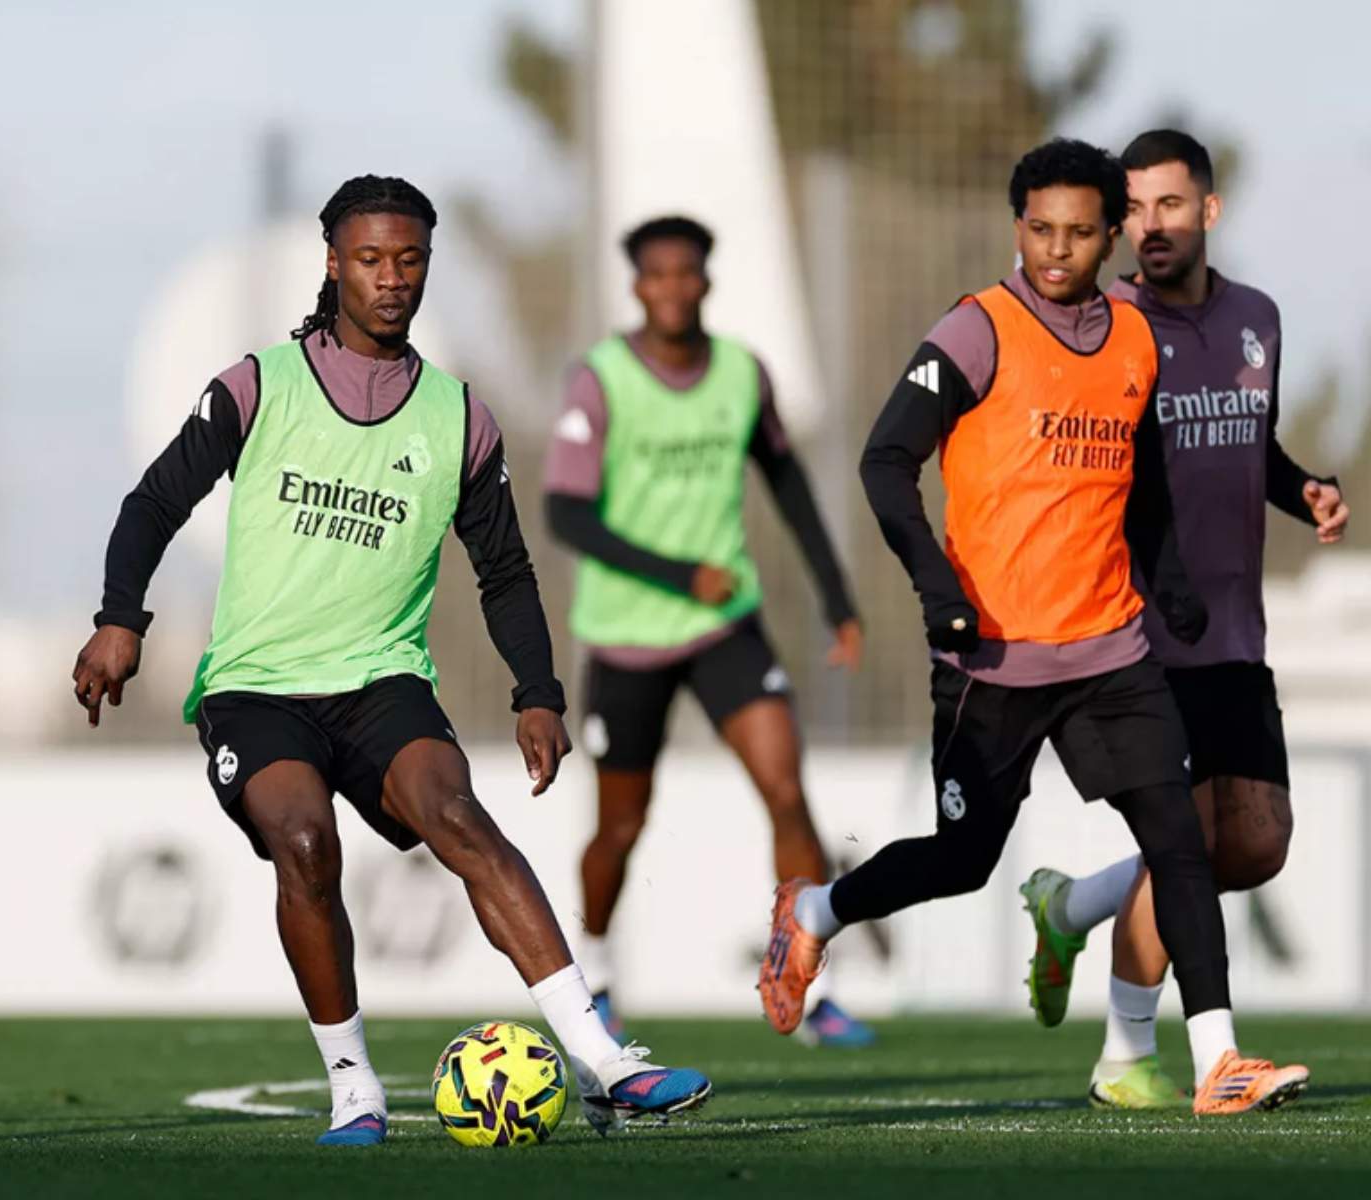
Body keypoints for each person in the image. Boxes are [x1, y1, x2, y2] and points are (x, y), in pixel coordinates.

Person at [73, 175, 712, 1145]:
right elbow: (153, 503)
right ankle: (354, 1088)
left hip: (382, 681)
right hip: (257, 689)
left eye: (409, 260)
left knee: (459, 816)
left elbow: (504, 571)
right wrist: (120, 619)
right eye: (370, 259)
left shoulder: (458, 416)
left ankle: (605, 1060)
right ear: (334, 264)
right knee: (304, 842)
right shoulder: (259, 385)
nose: (390, 278)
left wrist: (537, 693)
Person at [755, 137, 1308, 1114]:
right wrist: (935, 586)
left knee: (1178, 840)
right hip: (991, 660)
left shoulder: (1134, 339)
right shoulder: (977, 331)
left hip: (1110, 653)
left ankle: (1217, 1061)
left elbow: (1142, 486)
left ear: (1109, 236)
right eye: (1040, 229)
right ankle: (815, 911)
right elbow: (884, 462)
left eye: (1079, 233)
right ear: (1018, 227)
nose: (1057, 249)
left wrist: (1170, 587)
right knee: (961, 860)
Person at [1015, 130, 1348, 1107]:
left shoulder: (1257, 318)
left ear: (1207, 210)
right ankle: (1126, 1056)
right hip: (1140, 633)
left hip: (1235, 631)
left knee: (1253, 844)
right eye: (1134, 209)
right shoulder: (1107, 325)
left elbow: (1250, 445)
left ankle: (1070, 906)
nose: (1150, 225)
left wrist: (1303, 489)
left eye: (1169, 205)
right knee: (1182, 840)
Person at [544, 215, 870, 1046]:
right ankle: (596, 973)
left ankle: (809, 979)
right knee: (621, 828)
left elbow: (788, 483)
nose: (673, 287)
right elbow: (565, 513)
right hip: (625, 638)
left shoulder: (740, 374)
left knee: (787, 791)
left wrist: (837, 599)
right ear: (637, 285)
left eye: (686, 272)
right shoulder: (601, 380)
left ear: (706, 281)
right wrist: (678, 573)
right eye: (657, 274)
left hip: (726, 626)